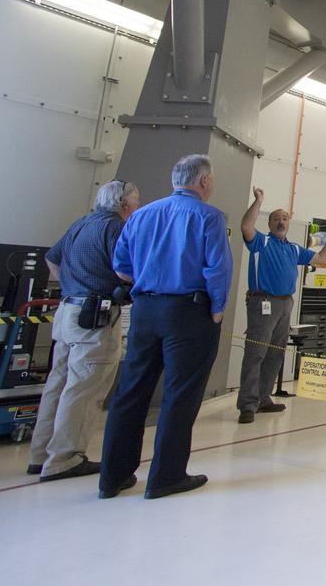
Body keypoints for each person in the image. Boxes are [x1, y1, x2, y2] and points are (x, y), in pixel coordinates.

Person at [98, 154, 232, 500]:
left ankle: (112, 476)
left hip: (145, 310)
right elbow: (217, 269)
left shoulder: (141, 215)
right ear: (204, 181)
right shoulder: (209, 217)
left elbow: (121, 266)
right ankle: (166, 476)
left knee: (130, 393)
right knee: (180, 395)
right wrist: (216, 311)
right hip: (189, 312)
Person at [27, 179, 140, 481]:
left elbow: (52, 259)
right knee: (84, 387)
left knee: (58, 382)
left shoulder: (81, 223)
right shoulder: (116, 227)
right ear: (124, 204)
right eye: (136, 201)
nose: (137, 206)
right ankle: (65, 458)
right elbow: (123, 269)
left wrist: (70, 285)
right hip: (95, 317)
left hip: (67, 311)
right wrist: (134, 285)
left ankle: (40, 454)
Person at [236, 188, 326, 423]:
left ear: (288, 223)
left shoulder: (293, 249)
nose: (281, 221)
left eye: (284, 218)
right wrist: (258, 201)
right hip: (263, 302)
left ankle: (263, 398)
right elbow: (246, 227)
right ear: (270, 224)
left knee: (276, 353)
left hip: (285, 304)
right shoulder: (261, 242)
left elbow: (321, 259)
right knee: (256, 353)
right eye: (276, 218)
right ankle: (247, 405)